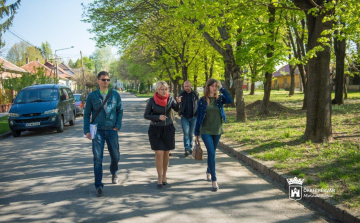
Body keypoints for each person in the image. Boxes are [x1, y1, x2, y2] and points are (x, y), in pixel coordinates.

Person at [83, 71, 123, 197]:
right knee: (97, 158)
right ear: (98, 81)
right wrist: (86, 130)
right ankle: (98, 185)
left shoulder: (115, 95)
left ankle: (114, 171)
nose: (106, 82)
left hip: (111, 130)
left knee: (115, 156)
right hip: (98, 130)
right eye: (103, 79)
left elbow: (120, 110)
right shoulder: (92, 96)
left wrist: (117, 125)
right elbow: (86, 114)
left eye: (108, 79)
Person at [194, 78, 233, 191]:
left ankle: (208, 170)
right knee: (211, 152)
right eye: (213, 86)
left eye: (216, 86)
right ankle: (214, 180)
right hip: (205, 130)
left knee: (212, 153)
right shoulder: (202, 100)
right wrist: (196, 132)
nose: (215, 88)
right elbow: (199, 117)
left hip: (217, 130)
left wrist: (222, 88)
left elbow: (230, 100)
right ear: (208, 87)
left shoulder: (220, 99)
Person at [144, 81, 181, 188]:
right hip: (155, 129)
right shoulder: (151, 100)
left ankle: (164, 175)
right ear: (157, 90)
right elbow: (146, 115)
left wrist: (178, 103)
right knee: (159, 153)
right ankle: (159, 177)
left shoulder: (170, 99)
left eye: (166, 89)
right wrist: (157, 117)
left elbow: (177, 109)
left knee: (166, 153)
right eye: (162, 89)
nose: (164, 91)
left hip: (168, 128)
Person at [178, 81, 199, 156]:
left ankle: (190, 148)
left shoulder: (195, 94)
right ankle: (186, 148)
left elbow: (198, 104)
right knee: (186, 132)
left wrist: (196, 114)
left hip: (193, 117)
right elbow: (178, 105)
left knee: (191, 133)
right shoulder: (181, 94)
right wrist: (180, 113)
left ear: (191, 86)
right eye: (185, 86)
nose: (186, 88)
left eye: (187, 86)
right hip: (184, 117)